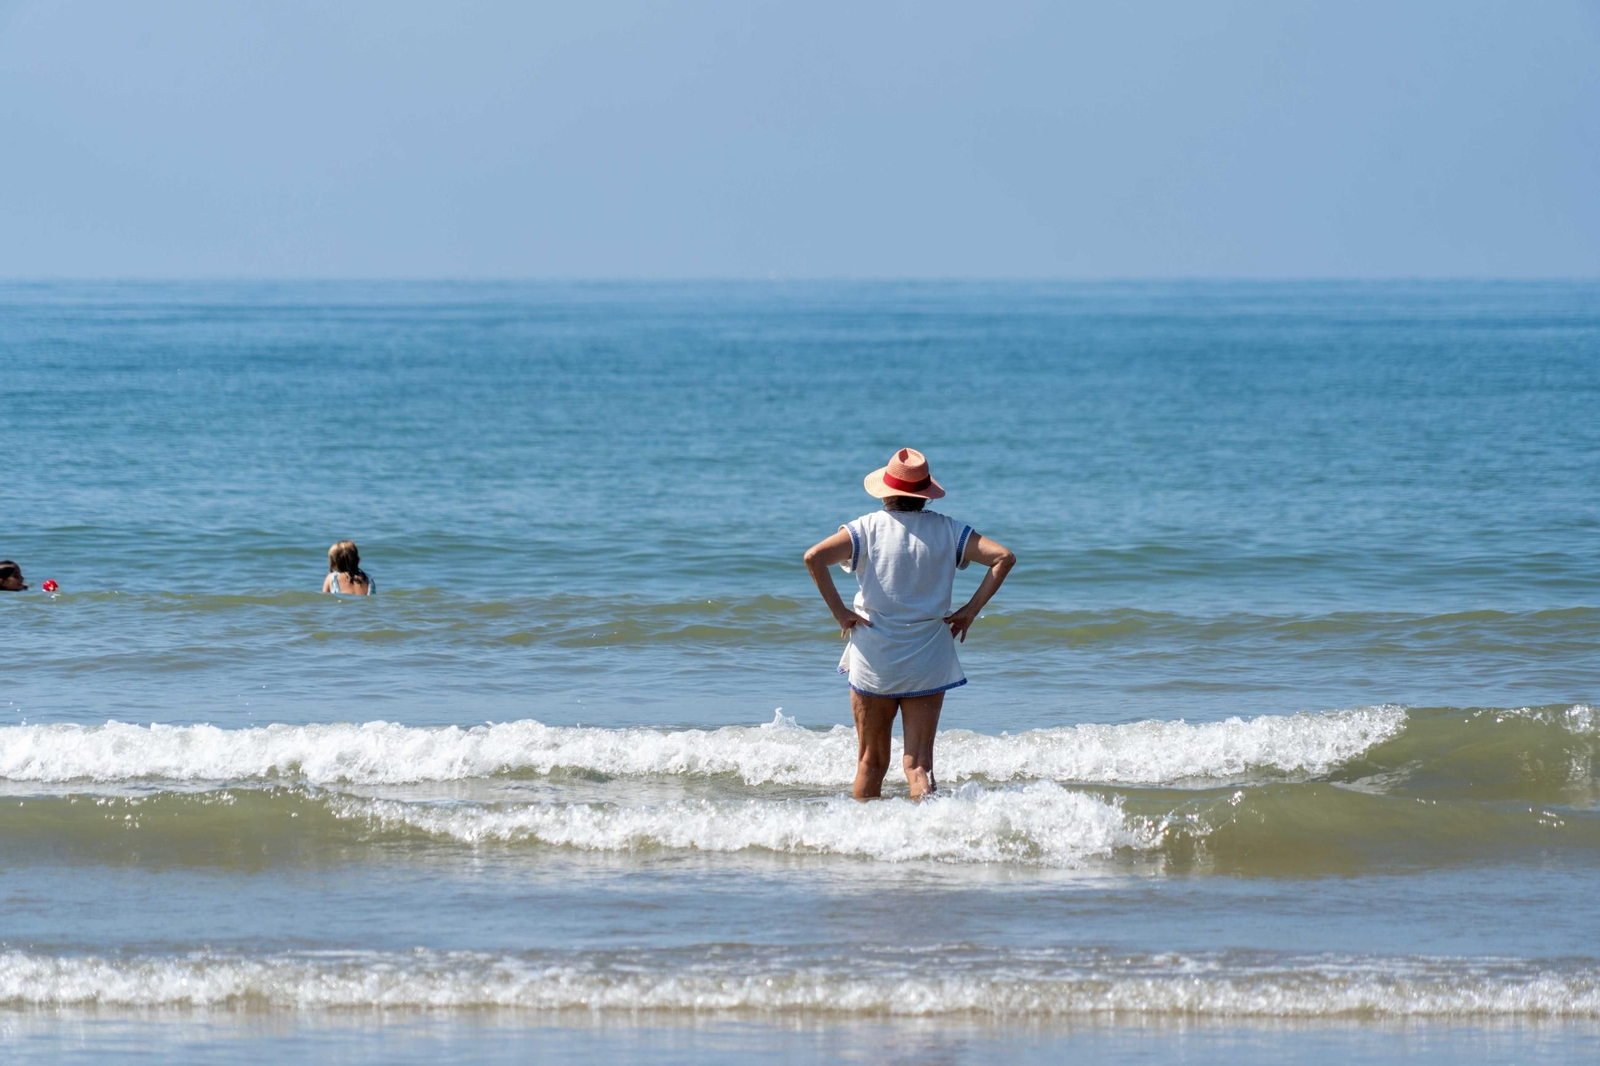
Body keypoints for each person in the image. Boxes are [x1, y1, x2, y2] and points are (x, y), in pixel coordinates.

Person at [803, 448, 1015, 800]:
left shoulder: (865, 528)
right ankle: (927, 840)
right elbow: (1003, 558)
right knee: (919, 765)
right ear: (924, 494)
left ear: (886, 491)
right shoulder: (949, 529)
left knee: (871, 763)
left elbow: (814, 557)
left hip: (875, 656)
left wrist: (840, 612)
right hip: (929, 656)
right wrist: (970, 610)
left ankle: (861, 843)